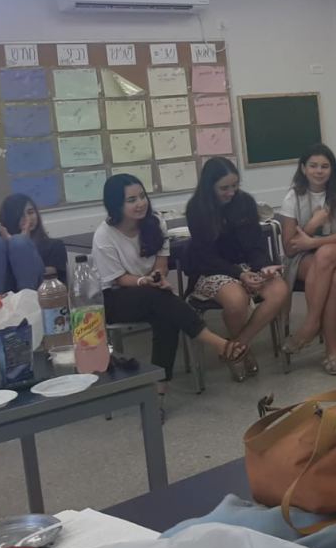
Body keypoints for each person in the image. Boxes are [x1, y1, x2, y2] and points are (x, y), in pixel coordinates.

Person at [93, 174, 248, 416]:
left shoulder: (154, 222)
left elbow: (162, 263)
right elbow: (118, 279)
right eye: (131, 200)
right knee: (159, 300)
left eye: (142, 196)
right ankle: (217, 343)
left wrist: (157, 277)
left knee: (166, 316)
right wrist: (146, 281)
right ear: (116, 205)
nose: (140, 203)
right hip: (115, 298)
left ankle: (158, 396)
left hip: (151, 294)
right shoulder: (104, 235)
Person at [185, 157, 291, 383]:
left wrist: (264, 267)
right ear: (209, 186)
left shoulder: (245, 203)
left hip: (246, 267)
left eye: (235, 186)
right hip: (211, 270)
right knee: (236, 299)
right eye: (224, 188)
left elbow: (255, 245)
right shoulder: (197, 209)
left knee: (279, 290)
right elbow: (207, 257)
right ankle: (245, 352)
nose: (231, 192)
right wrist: (239, 274)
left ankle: (236, 347)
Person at [277, 144, 336, 375]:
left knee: (326, 254)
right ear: (303, 168)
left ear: (332, 169)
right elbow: (290, 249)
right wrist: (312, 224)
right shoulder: (293, 197)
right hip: (303, 259)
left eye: (325, 166)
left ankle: (310, 326)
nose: (319, 171)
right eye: (313, 166)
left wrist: (311, 242)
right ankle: (333, 353)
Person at [0, 194, 68, 294]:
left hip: (41, 295)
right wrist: (11, 245)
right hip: (4, 299)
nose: (28, 219)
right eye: (21, 215)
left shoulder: (54, 245)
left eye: (31, 212)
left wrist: (24, 245)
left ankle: (27, 302)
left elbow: (50, 276)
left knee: (19, 243)